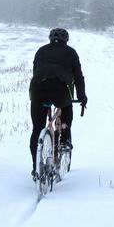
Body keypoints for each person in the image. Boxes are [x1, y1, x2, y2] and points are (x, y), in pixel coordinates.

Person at [29, 27, 87, 179]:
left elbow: (36, 71)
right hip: (60, 92)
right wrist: (82, 97)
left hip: (38, 91)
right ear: (66, 40)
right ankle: (65, 138)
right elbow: (78, 77)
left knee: (37, 129)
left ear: (50, 39)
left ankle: (36, 167)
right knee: (66, 111)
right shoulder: (71, 52)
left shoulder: (41, 51)